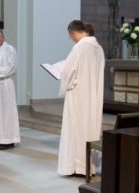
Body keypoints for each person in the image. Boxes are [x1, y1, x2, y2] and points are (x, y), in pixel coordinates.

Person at [57, 20, 105, 176]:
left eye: (70, 37)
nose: (72, 40)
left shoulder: (79, 47)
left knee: (76, 130)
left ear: (73, 33)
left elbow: (68, 72)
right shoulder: (99, 49)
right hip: (93, 98)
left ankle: (76, 167)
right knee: (89, 129)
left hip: (78, 97)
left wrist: (63, 78)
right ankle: (88, 167)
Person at [0, 28, 20, 150]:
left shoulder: (9, 49)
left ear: (2, 38)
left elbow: (11, 67)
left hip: (5, 85)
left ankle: (8, 140)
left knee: (6, 113)